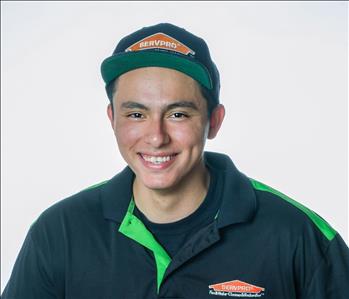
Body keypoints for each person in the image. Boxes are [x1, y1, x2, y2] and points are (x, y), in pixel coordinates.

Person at [2, 22, 349, 299]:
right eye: (136, 114)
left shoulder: (300, 237)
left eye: (178, 114)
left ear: (213, 121)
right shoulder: (59, 232)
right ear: (112, 120)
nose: (156, 136)